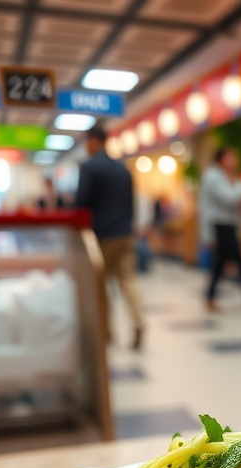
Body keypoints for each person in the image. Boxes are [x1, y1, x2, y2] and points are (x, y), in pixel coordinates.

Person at [76, 122, 145, 351]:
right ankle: (138, 322)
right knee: (128, 280)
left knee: (101, 285)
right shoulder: (123, 169)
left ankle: (106, 331)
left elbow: (81, 203)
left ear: (94, 141)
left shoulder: (90, 168)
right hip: (125, 235)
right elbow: (131, 204)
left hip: (102, 236)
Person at [200, 147, 241, 312]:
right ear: (221, 159)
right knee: (239, 263)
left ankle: (210, 297)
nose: (234, 161)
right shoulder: (213, 176)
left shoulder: (228, 177)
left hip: (229, 226)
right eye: (231, 157)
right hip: (220, 226)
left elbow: (235, 200)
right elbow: (229, 198)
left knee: (220, 265)